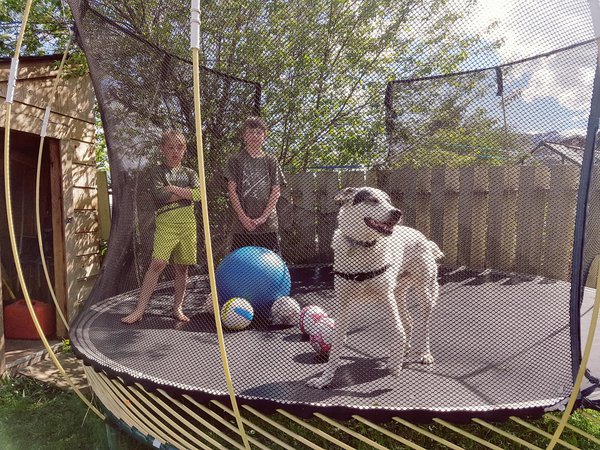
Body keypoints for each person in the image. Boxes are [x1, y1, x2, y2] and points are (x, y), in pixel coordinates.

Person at [122, 130, 200, 324]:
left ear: (184, 150)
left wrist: (172, 188)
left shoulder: (190, 172)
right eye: (171, 147)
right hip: (166, 222)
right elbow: (159, 196)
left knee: (182, 268)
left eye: (179, 147)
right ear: (162, 149)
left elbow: (198, 195)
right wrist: (185, 194)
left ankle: (177, 307)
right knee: (158, 263)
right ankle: (139, 310)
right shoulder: (158, 172)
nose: (175, 151)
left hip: (187, 223)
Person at [224, 116, 286, 252]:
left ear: (264, 136)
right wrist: (243, 218)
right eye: (251, 132)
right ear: (244, 136)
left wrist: (263, 217)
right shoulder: (236, 160)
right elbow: (231, 191)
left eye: (259, 132)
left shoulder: (271, 161)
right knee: (240, 263)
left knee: (270, 263)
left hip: (267, 225)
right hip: (242, 225)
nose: (255, 136)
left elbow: (276, 191)